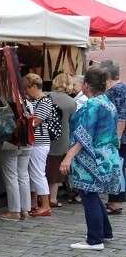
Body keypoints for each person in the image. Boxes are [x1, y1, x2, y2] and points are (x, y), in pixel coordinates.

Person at [59, 67, 120, 250]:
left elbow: (84, 134)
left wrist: (68, 157)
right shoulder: (107, 102)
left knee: (89, 195)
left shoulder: (94, 104)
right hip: (106, 155)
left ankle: (94, 239)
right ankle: (103, 231)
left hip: (92, 157)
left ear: (86, 85)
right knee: (92, 194)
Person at [97, 60, 126, 215]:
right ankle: (114, 200)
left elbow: (121, 116)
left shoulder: (118, 90)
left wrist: (118, 137)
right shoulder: (116, 89)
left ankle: (116, 202)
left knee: (117, 167)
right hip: (114, 136)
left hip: (118, 137)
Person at [23, 73, 54, 217]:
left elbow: (36, 121)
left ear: (34, 87)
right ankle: (34, 203)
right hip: (35, 141)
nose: (26, 92)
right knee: (34, 174)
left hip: (40, 142)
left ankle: (46, 205)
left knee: (38, 174)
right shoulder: (36, 100)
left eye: (27, 89)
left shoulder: (44, 101)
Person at [46, 73, 78, 207]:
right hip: (63, 139)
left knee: (43, 168)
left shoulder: (47, 96)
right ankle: (52, 198)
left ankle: (43, 198)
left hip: (45, 137)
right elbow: (72, 122)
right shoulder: (72, 102)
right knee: (56, 171)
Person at [0, 140, 32, 222]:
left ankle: (14, 211)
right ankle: (25, 210)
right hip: (28, 140)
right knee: (23, 176)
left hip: (10, 142)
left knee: (11, 177)